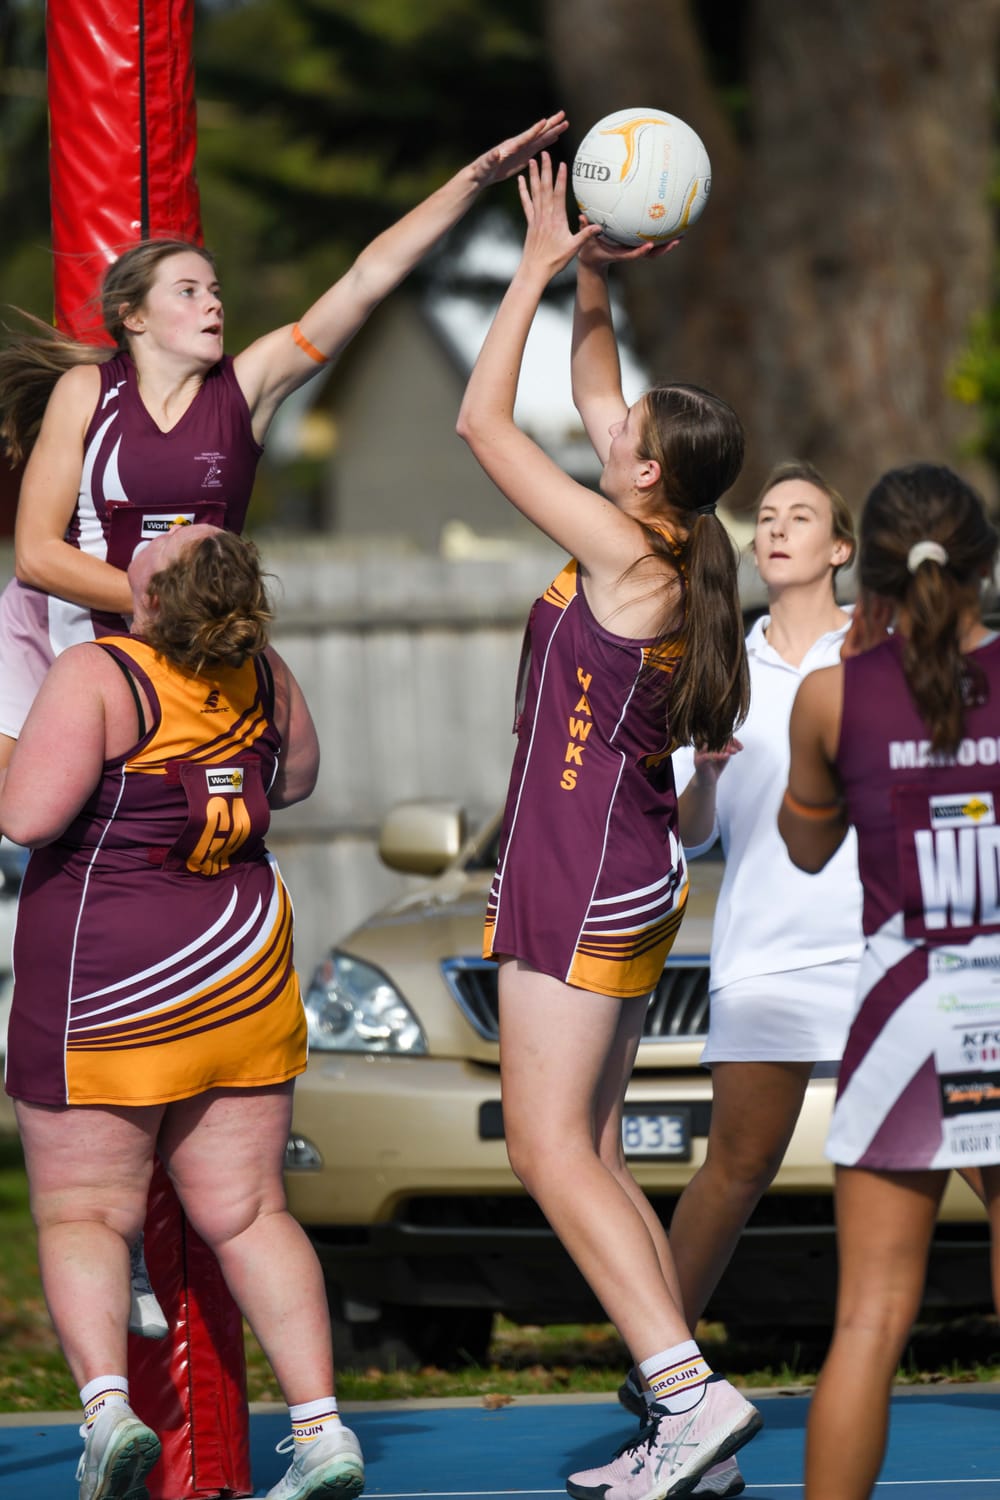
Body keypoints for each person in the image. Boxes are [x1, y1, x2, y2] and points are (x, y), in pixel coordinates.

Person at [456, 152, 761, 1500]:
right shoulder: (663, 536)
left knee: (541, 1146)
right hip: (621, 867)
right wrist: (588, 267)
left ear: (647, 470)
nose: (606, 427)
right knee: (584, 1146)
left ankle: (689, 1398)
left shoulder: (630, 555)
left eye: (625, 430)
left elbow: (483, 424)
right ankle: (675, 1400)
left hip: (582, 869)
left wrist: (519, 273)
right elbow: (585, 390)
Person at [0, 110, 569, 768]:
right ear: (133, 317)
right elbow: (37, 557)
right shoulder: (88, 393)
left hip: (190, 645)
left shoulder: (246, 389)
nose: (213, 303)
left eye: (214, 291)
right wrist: (160, 602)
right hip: (64, 632)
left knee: (279, 780)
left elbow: (365, 279)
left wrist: (473, 180)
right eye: (186, 292)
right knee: (26, 817)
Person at [0, 523, 356, 1500]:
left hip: (113, 972)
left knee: (84, 1210)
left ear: (150, 604)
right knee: (248, 1214)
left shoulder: (102, 673)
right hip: (239, 968)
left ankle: (109, 1411)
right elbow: (297, 779)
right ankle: (321, 1429)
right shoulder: (263, 672)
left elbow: (26, 815)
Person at [611, 461, 863, 1498]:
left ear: (840, 548)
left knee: (980, 1154)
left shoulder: (880, 654)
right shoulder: (722, 661)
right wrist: (704, 777)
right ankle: (659, 1369)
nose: (776, 528)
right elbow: (694, 833)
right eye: (764, 516)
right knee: (735, 1167)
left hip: (882, 948)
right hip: (764, 949)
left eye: (800, 515)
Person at [777, 463, 1000, 1500]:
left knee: (868, 1320)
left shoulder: (829, 695)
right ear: (982, 562)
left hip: (906, 1006)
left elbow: (806, 844)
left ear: (864, 571)